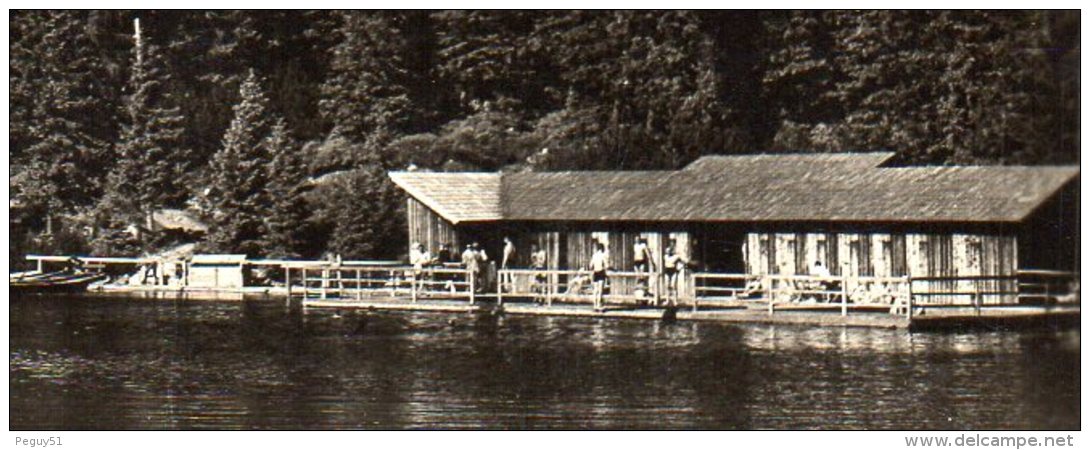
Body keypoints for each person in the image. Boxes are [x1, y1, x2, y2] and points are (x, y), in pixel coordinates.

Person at [590, 241, 609, 311]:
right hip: (601, 272)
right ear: (602, 249)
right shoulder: (603, 255)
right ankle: (599, 305)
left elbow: (590, 265)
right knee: (600, 290)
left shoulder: (594, 255)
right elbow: (607, 266)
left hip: (595, 272)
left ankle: (595, 305)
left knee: (595, 290)